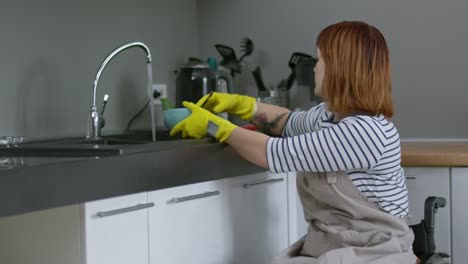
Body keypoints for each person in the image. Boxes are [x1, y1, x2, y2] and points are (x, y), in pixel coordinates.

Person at [171, 21, 417, 264]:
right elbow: (287, 123)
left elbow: (271, 152)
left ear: (339, 67)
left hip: (376, 252)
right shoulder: (328, 115)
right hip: (335, 246)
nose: (314, 69)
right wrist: (241, 104)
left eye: (319, 60)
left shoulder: (366, 133)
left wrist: (213, 126)